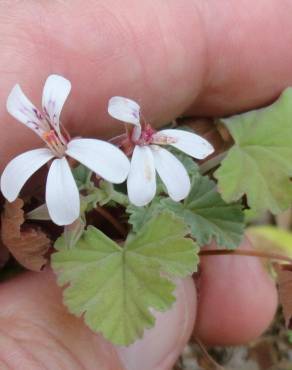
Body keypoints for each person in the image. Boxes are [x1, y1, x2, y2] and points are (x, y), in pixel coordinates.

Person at [0, 0, 286, 368]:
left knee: (175, 192)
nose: (53, 137)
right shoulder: (74, 156)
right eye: (50, 135)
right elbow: (98, 186)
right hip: (85, 173)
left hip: (122, 168)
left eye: (53, 133)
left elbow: (137, 179)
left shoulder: (120, 151)